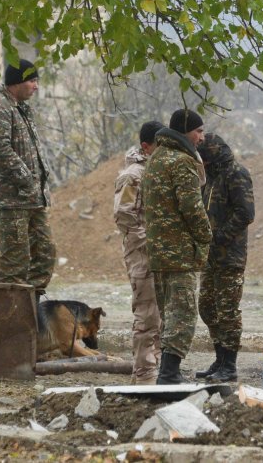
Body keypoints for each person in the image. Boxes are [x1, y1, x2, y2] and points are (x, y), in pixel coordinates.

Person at [142, 109, 212, 385]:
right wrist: (206, 236)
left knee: (168, 313)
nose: (202, 137)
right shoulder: (182, 163)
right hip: (180, 252)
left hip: (159, 253)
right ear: (185, 132)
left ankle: (167, 371)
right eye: (198, 131)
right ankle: (169, 373)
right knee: (182, 313)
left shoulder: (156, 159)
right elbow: (192, 208)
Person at [0, 59, 56, 299]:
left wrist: (39, 183)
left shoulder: (19, 106)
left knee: (45, 253)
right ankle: (11, 315)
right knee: (16, 260)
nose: (36, 86)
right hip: (12, 198)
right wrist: (27, 180)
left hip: (32, 196)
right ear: (16, 82)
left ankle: (30, 306)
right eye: (32, 80)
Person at [192, 133, 255, 383]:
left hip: (230, 255)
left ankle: (229, 365)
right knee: (207, 307)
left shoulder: (236, 173)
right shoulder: (209, 177)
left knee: (227, 311)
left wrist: (219, 237)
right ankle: (219, 359)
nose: (202, 163)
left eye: (203, 158)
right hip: (209, 256)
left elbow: (246, 213)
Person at [113, 120, 164, 385]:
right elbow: (124, 217)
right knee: (146, 315)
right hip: (142, 254)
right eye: (160, 145)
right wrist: (150, 243)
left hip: (157, 253)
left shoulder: (155, 171)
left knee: (159, 317)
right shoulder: (133, 175)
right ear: (146, 147)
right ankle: (144, 375)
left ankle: (152, 371)